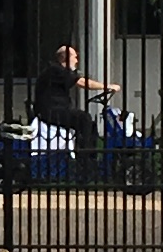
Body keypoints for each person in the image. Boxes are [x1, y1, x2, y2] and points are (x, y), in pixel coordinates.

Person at [31, 38, 111, 171]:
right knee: (84, 119)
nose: (77, 60)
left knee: (89, 123)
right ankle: (85, 162)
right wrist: (106, 87)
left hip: (57, 109)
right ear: (66, 59)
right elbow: (82, 83)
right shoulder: (56, 70)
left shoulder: (58, 71)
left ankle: (90, 158)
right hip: (52, 111)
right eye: (75, 57)